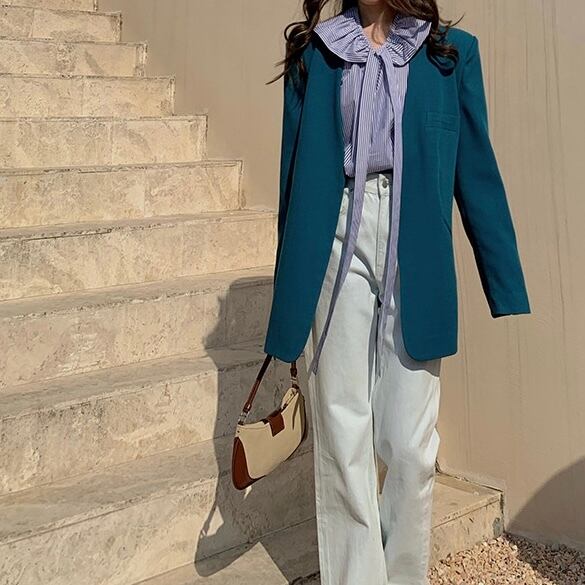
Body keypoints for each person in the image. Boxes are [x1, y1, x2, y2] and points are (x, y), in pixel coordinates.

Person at [264, 1, 531, 583]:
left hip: (416, 242)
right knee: (342, 426)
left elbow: (475, 166)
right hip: (336, 230)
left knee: (410, 446)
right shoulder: (317, 52)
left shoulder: (449, 54)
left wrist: (503, 276)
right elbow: (292, 176)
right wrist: (289, 292)